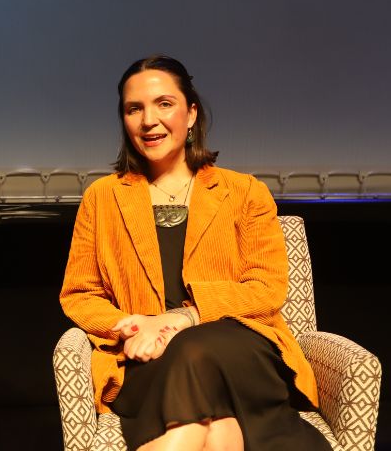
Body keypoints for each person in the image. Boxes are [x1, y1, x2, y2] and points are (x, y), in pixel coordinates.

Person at [59, 55, 331, 451]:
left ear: (191, 114)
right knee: (213, 432)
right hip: (148, 359)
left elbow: (266, 289)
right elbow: (80, 295)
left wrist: (181, 318)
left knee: (193, 347)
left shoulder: (245, 192)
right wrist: (135, 326)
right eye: (134, 109)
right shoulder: (102, 198)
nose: (148, 120)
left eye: (164, 104)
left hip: (240, 349)